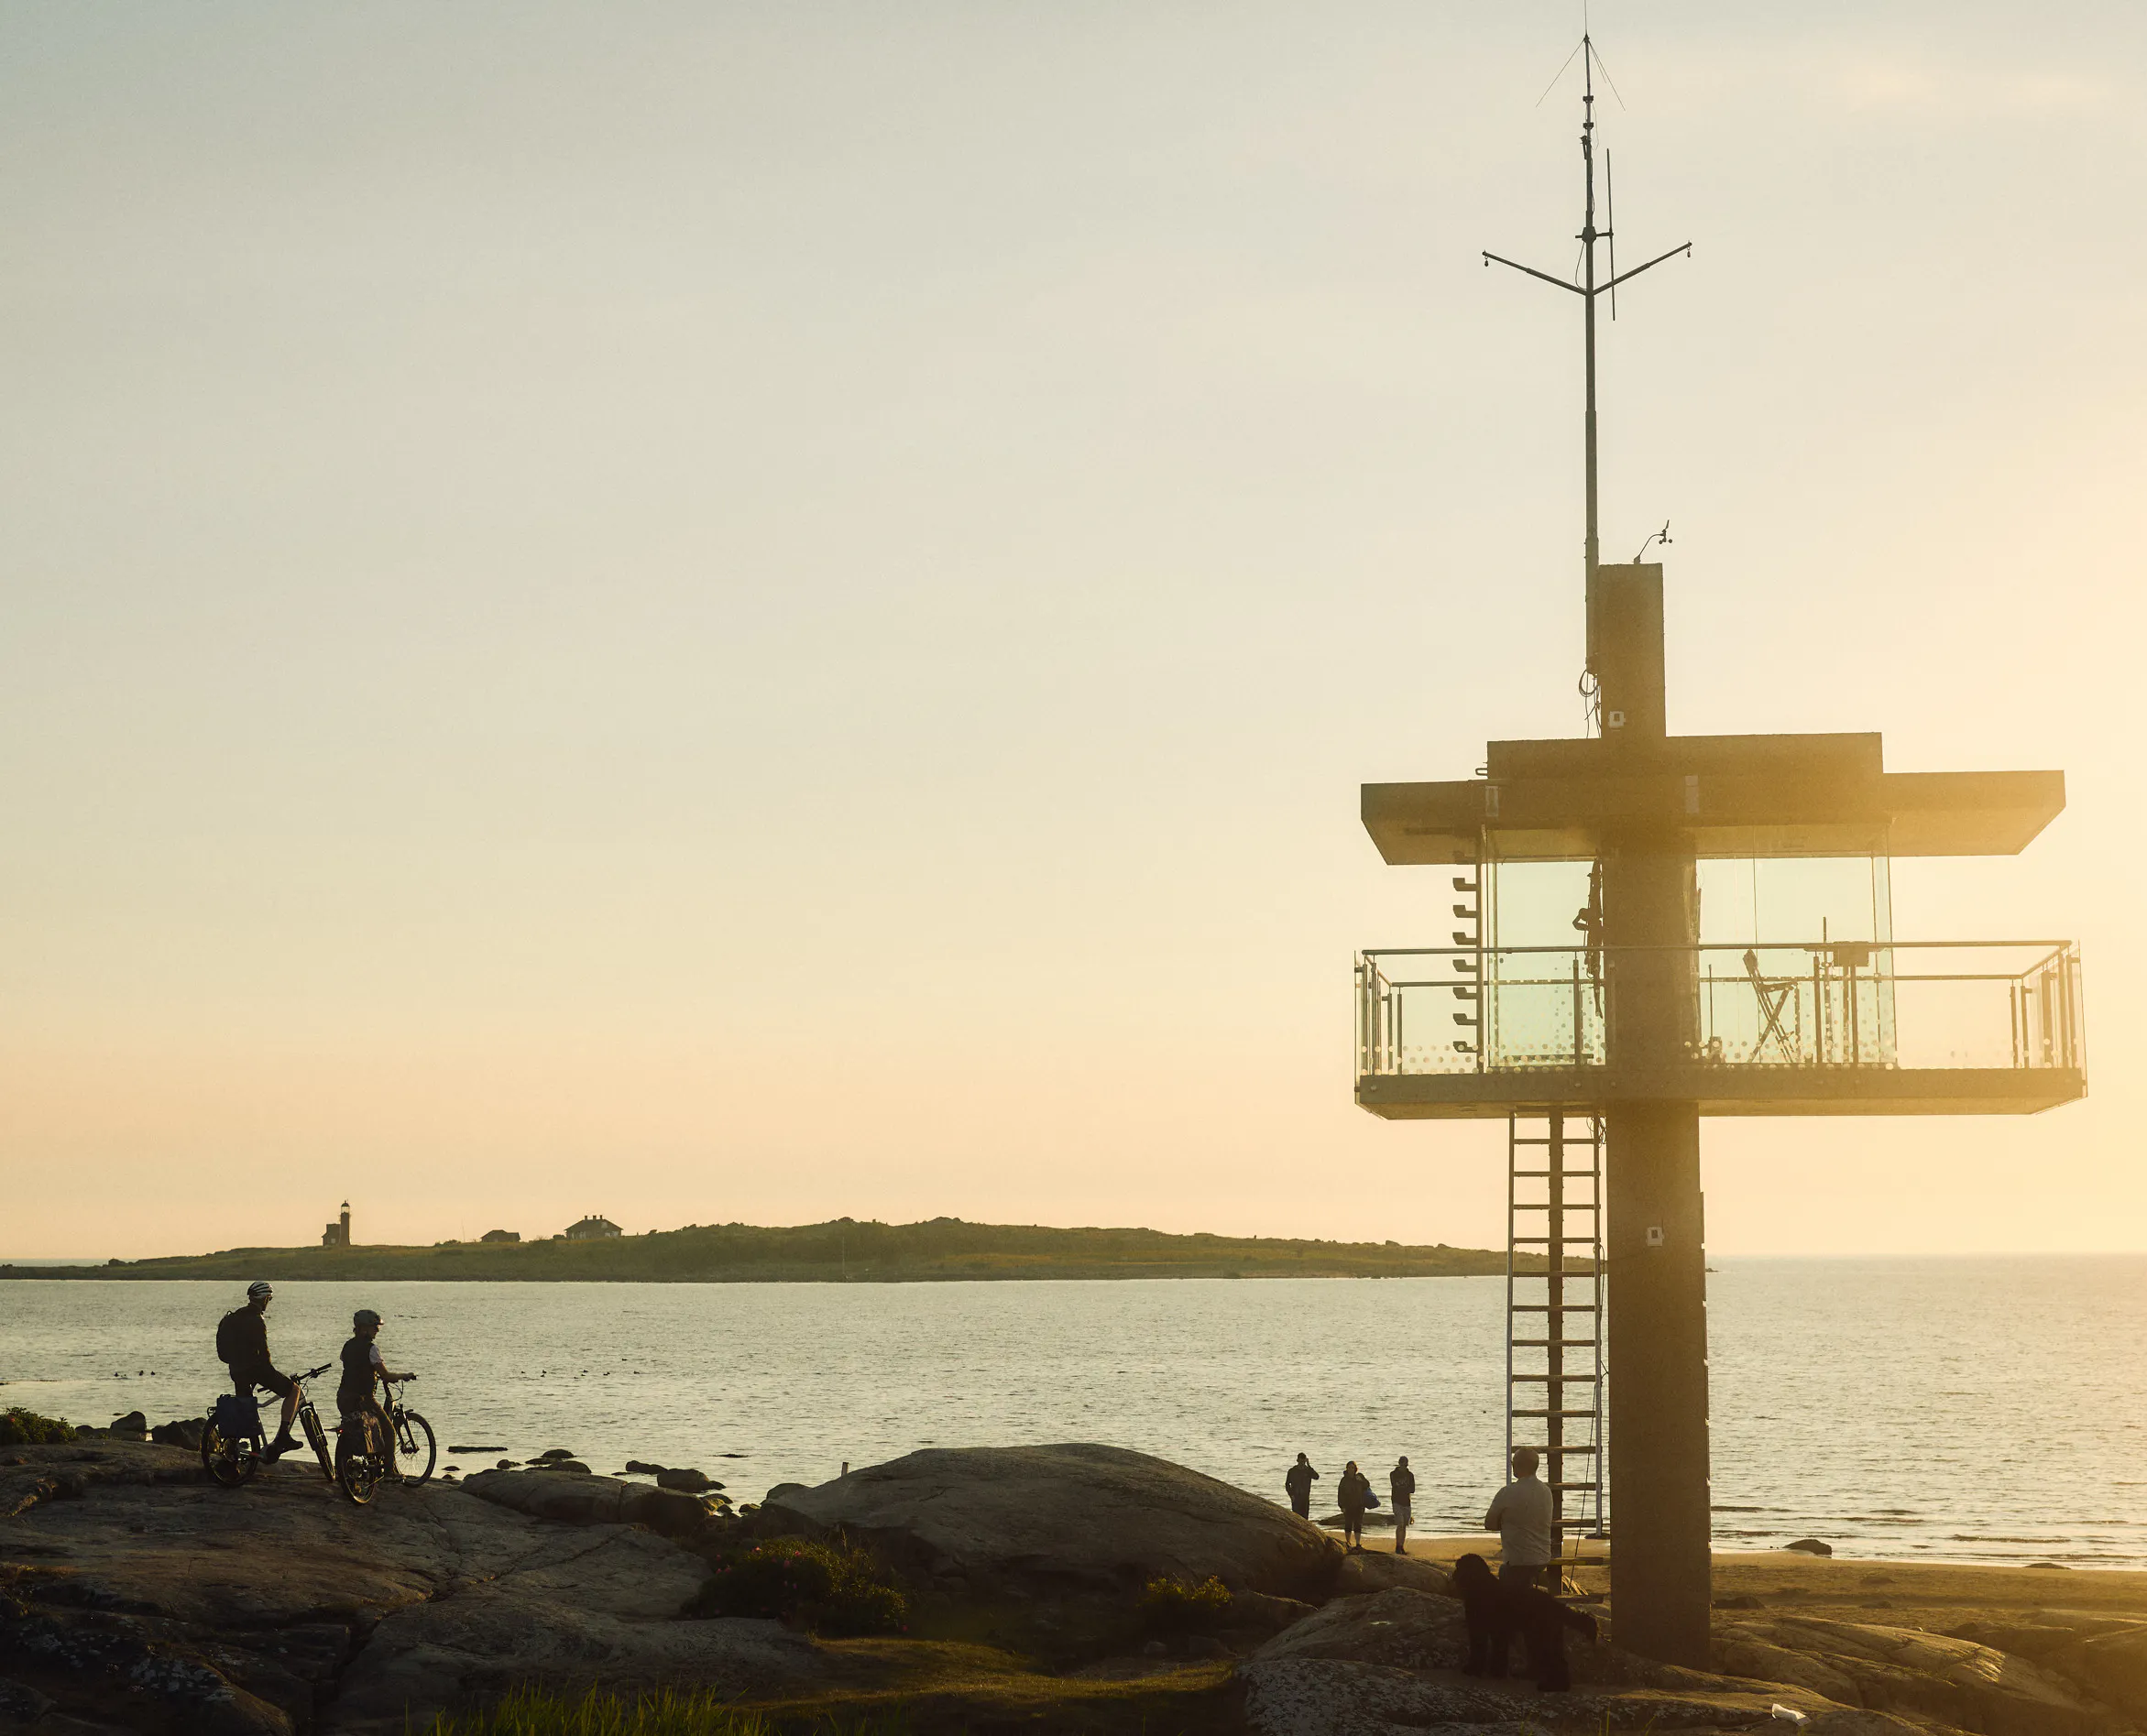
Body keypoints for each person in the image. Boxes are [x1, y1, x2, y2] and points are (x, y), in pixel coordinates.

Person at [215, 1282, 302, 1461]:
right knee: (294, 1390)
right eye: (269, 1299)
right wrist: (273, 1374)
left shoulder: (235, 1316)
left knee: (245, 1409)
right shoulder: (256, 1320)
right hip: (255, 1371)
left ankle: (234, 1452)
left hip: (237, 1371)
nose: (268, 1302)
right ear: (264, 1299)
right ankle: (283, 1435)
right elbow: (264, 1353)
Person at [337, 1308, 414, 1473]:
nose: (377, 1330)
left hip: (343, 1397)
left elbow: (351, 1366)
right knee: (390, 1431)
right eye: (375, 1327)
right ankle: (389, 1472)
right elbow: (385, 1375)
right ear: (365, 1328)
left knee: (357, 1425)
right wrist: (404, 1375)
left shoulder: (347, 1346)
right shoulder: (371, 1348)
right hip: (364, 1398)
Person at [1484, 1446, 1558, 1590]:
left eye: (1513, 1463)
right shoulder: (1546, 1491)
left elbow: (1489, 1524)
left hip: (1518, 1561)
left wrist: (1506, 1522)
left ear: (1518, 1466)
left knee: (1504, 1575)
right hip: (1542, 1558)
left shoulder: (1507, 1492)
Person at [1337, 1459, 1373, 1553]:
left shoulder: (1359, 1476)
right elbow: (1340, 1493)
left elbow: (1367, 1485)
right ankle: (1348, 1542)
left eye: (1352, 1468)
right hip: (1348, 1505)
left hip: (1359, 1505)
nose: (1351, 1469)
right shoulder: (1344, 1480)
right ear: (1347, 1469)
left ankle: (1357, 1543)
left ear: (1355, 1469)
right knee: (1348, 1524)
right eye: (1349, 1468)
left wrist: (1361, 1480)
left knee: (1358, 1524)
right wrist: (1341, 1506)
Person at [1390, 1455, 1417, 1556]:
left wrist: (1402, 1488)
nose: (1403, 1466)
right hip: (1396, 1501)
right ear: (1399, 1464)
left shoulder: (1410, 1475)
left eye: (1405, 1465)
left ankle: (1401, 1546)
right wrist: (1404, 1488)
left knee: (1404, 1525)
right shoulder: (1393, 1474)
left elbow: (1412, 1489)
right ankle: (1398, 1546)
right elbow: (1394, 1485)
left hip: (1406, 1502)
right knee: (1400, 1523)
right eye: (1402, 1464)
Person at [1285, 1452, 1320, 1520]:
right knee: (1296, 1518)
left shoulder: (1308, 1470)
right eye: (1301, 1462)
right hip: (1295, 1497)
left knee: (1305, 1518)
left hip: (1305, 1497)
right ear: (1297, 1460)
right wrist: (1291, 1495)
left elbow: (1316, 1477)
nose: (1302, 1464)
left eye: (1303, 1462)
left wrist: (1309, 1465)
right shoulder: (1292, 1471)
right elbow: (1287, 1484)